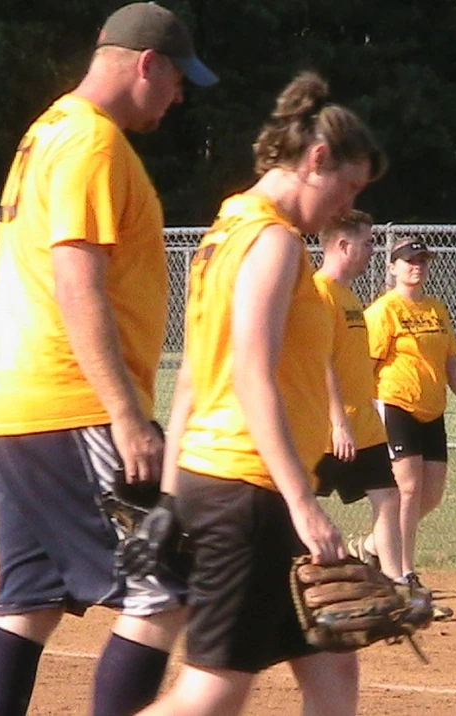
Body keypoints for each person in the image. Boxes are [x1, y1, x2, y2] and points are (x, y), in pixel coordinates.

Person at [0, 4, 217, 716]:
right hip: (68, 402)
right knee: (163, 590)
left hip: (12, 405)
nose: (178, 96)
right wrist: (126, 415)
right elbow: (77, 282)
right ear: (146, 64)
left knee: (29, 602)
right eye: (176, 80)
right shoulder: (91, 144)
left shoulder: (48, 132)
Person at [136, 71, 387, 716]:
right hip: (244, 490)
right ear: (316, 159)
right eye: (348, 187)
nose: (345, 208)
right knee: (213, 690)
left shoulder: (225, 230)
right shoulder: (272, 241)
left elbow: (194, 372)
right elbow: (249, 372)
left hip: (236, 483)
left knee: (332, 661)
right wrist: (305, 507)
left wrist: (169, 495)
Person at [363, 238, 456, 619]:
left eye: (422, 261)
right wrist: (362, 412)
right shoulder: (383, 311)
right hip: (395, 404)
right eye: (409, 260)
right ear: (393, 267)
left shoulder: (436, 309)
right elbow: (365, 364)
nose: (417, 266)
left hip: (433, 409)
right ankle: (406, 576)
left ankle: (372, 546)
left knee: (430, 495)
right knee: (407, 490)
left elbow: (451, 363)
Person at [313, 211, 405, 588]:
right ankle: (290, 577)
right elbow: (321, 363)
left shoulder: (348, 295)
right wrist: (338, 423)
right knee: (298, 500)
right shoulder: (319, 293)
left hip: (364, 423)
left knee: (389, 496)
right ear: (343, 245)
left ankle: (396, 580)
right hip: (327, 426)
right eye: (367, 243)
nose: (372, 251)